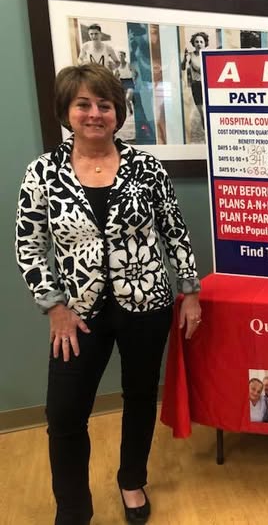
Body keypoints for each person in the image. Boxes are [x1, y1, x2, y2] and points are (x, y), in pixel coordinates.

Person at [15, 63, 201, 525]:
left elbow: (174, 230)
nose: (95, 113)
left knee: (140, 395)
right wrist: (52, 305)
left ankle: (132, 479)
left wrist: (190, 290)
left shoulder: (146, 167)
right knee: (64, 416)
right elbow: (29, 244)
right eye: (84, 104)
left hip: (147, 304)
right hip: (77, 312)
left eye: (105, 104)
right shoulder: (43, 172)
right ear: (67, 110)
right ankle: (74, 510)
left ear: (118, 112)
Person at [180, 31, 209, 128]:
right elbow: (183, 67)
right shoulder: (190, 55)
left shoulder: (208, 55)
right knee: (202, 111)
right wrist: (185, 58)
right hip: (196, 85)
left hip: (207, 85)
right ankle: (205, 127)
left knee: (208, 110)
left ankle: (208, 129)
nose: (199, 44)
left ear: (205, 43)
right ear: (193, 43)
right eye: (196, 42)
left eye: (201, 42)